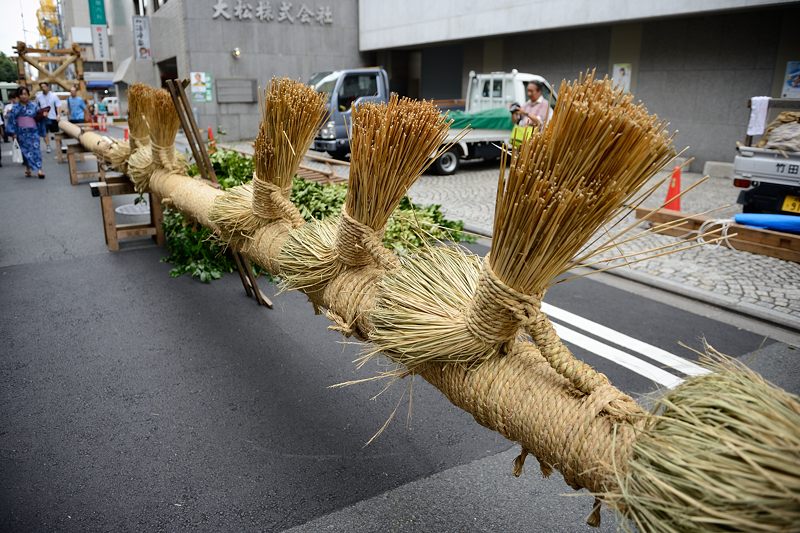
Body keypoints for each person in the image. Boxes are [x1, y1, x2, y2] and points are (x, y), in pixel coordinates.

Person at [6, 87, 45, 178]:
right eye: (21, 94)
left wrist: (43, 116)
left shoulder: (34, 106)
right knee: (25, 151)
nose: (23, 96)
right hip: (21, 132)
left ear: (28, 95)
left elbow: (38, 118)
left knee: (36, 150)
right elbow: (12, 121)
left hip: (33, 131)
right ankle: (28, 168)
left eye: (25, 94)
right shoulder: (15, 107)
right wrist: (13, 133)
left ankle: (39, 169)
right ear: (18, 96)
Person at [35, 82, 61, 154]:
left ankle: (60, 145)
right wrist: (40, 113)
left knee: (56, 132)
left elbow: (58, 105)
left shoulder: (54, 96)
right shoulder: (38, 96)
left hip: (53, 116)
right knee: (45, 132)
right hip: (43, 117)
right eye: (42, 87)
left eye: (44, 86)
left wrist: (58, 115)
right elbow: (36, 106)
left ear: (48, 87)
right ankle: (48, 145)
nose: (43, 88)